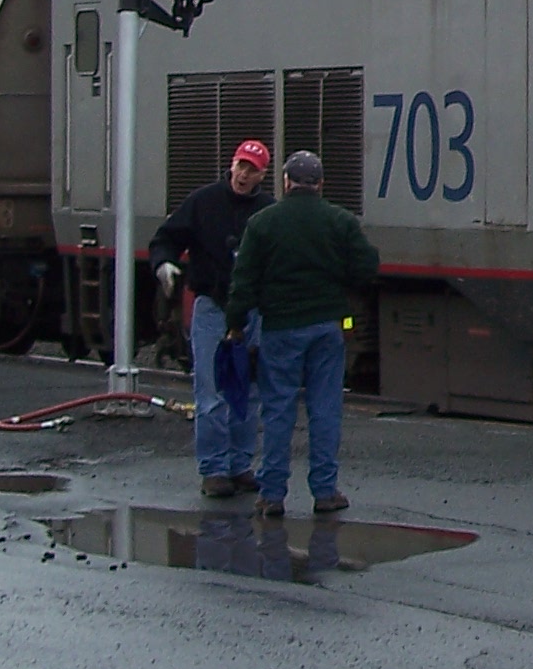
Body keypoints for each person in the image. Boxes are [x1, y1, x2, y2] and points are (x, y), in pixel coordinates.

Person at [225, 150, 379, 520]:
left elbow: (243, 281)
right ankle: (325, 491)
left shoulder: (263, 223)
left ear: (285, 182)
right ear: (320, 184)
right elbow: (367, 267)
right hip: (327, 327)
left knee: (278, 410)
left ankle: (272, 495)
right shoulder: (340, 221)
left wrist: (235, 324)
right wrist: (340, 285)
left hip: (280, 328)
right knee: (325, 409)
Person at [150, 136, 274, 499]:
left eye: (252, 170)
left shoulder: (267, 211)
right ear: (232, 165)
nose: (243, 175)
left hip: (252, 310)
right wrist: (164, 264)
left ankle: (240, 465)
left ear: (262, 175)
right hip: (212, 307)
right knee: (212, 391)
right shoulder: (203, 202)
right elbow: (166, 238)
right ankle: (214, 469)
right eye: (241, 166)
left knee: (248, 391)